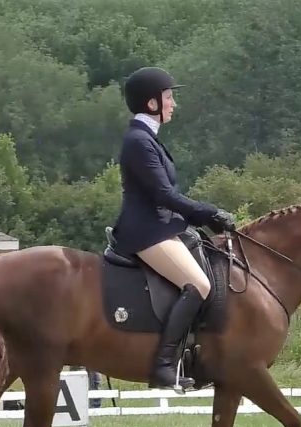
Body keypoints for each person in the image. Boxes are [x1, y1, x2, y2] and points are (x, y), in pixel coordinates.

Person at [111, 66, 236, 391]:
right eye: (168, 97)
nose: (173, 104)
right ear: (152, 103)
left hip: (162, 226)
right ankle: (165, 367)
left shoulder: (147, 139)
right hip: (146, 232)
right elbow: (164, 195)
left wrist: (202, 219)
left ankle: (195, 355)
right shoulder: (139, 141)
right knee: (198, 284)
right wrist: (209, 212)